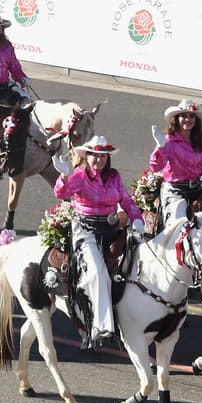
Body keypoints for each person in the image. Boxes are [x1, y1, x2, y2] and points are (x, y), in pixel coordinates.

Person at [52, 135, 144, 351]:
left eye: (103, 156)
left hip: (111, 228)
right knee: (97, 273)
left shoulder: (114, 176)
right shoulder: (80, 176)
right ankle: (101, 327)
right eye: (95, 155)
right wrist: (63, 176)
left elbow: (125, 200)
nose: (99, 160)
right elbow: (62, 193)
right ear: (87, 156)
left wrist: (137, 217)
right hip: (86, 230)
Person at [148, 99, 202, 223]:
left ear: (196, 120)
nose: (188, 119)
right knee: (178, 222)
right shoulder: (169, 141)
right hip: (175, 190)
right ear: (176, 119)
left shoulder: (201, 142)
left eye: (191, 116)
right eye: (183, 116)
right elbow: (155, 167)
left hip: (197, 189)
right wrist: (161, 148)